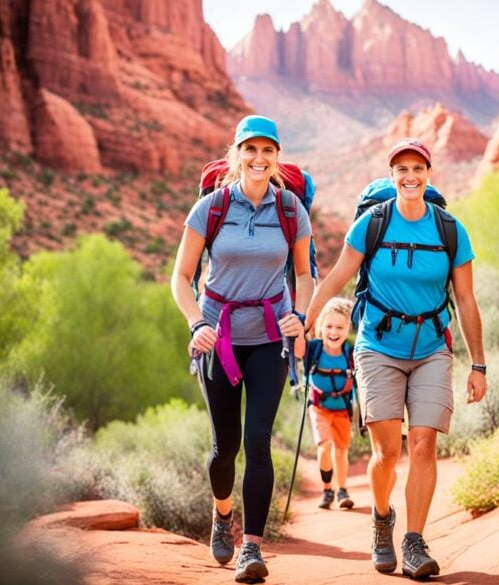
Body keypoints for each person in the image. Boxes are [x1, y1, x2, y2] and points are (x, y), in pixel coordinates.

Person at [305, 139, 488, 580]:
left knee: (424, 443)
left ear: (429, 173)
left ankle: (413, 541)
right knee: (387, 452)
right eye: (402, 169)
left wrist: (478, 364)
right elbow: (337, 278)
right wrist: (306, 321)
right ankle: (383, 521)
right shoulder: (371, 225)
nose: (410, 176)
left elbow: (465, 299)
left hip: (431, 349)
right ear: (392, 176)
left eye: (418, 168)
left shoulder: (449, 230)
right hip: (378, 349)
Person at [171, 114, 312, 584]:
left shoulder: (291, 209)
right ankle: (222, 511)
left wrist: (301, 317)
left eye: (267, 151)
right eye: (250, 150)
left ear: (277, 157)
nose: (258, 158)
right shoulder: (211, 208)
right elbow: (180, 277)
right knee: (224, 447)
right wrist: (196, 325)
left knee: (257, 441)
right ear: (236, 155)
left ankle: (251, 548)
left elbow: (306, 273)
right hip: (218, 337)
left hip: (270, 336)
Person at [306, 297, 357, 511]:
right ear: (320, 327)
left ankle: (342, 489)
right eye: (328, 326)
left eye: (339, 327)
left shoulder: (351, 352)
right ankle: (328, 489)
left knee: (342, 450)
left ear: (347, 329)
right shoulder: (314, 349)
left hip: (343, 408)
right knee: (325, 445)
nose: (333, 332)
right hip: (319, 407)